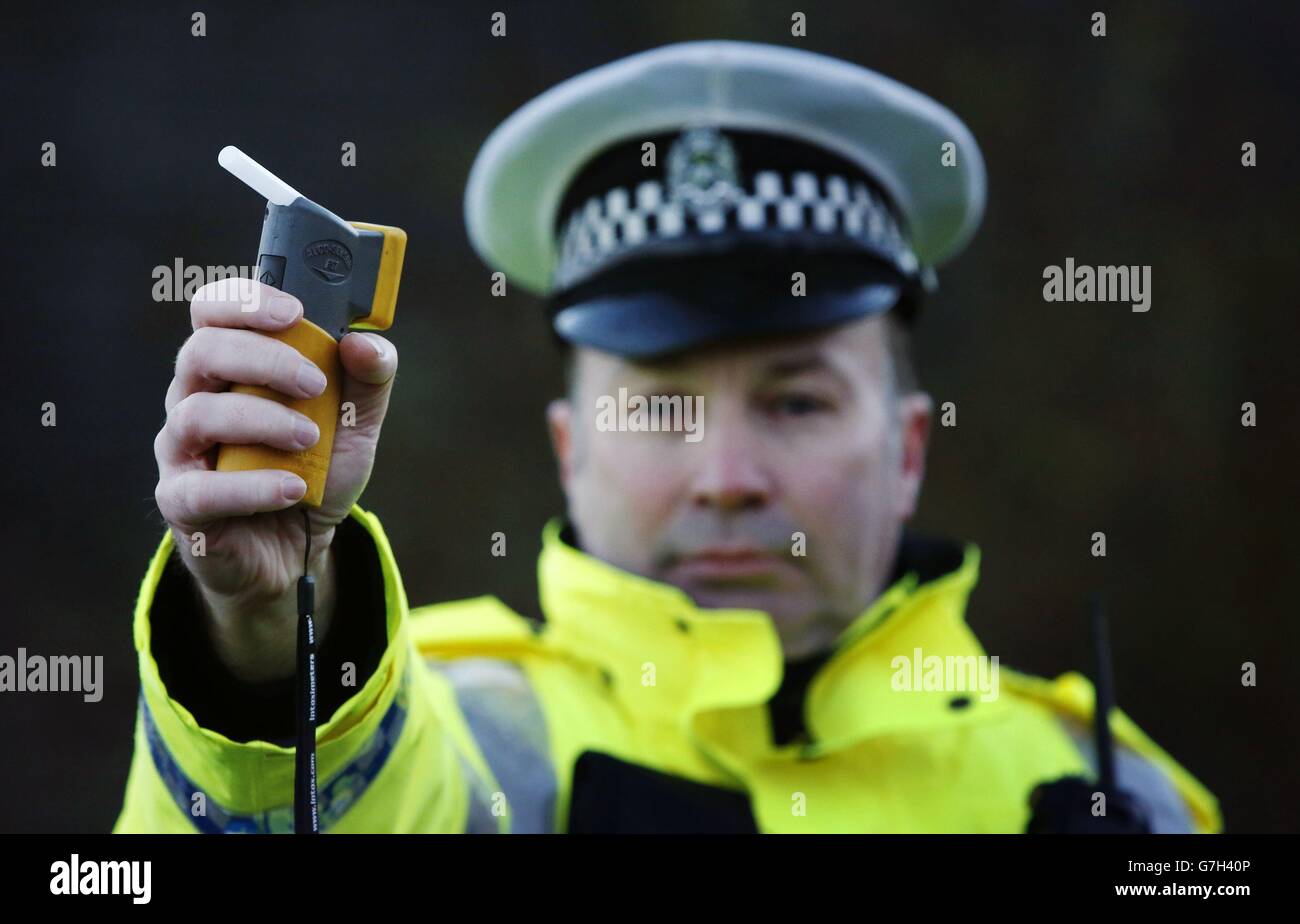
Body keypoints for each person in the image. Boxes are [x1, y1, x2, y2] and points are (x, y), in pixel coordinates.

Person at [115, 41, 1219, 833]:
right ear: (568, 449)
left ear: (909, 452)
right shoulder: (446, 732)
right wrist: (266, 648)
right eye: (657, 408)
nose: (728, 480)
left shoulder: (1128, 801)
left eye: (796, 402)